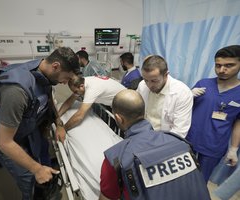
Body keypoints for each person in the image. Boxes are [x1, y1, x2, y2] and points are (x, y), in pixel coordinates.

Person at [0, 47, 80, 200]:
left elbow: (49, 100)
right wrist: (36, 169)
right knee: (29, 179)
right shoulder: (16, 91)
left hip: (26, 129)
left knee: (37, 159)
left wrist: (58, 124)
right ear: (56, 66)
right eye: (66, 78)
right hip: (7, 140)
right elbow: (4, 142)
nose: (65, 83)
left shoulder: (43, 70)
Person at [99, 89, 210, 200]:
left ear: (119, 118)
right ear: (144, 111)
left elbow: (106, 197)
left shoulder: (116, 158)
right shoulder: (180, 143)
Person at [186, 45, 240, 182]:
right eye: (218, 65)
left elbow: (238, 123)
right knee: (182, 180)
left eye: (229, 65)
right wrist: (187, 96)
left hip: (213, 146)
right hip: (189, 141)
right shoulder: (203, 84)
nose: (222, 70)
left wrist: (233, 149)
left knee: (200, 182)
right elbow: (182, 110)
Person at [136, 55, 193, 138]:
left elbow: (179, 132)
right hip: (143, 134)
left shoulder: (182, 93)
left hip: (165, 140)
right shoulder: (142, 85)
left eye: (154, 81)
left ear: (166, 75)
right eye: (146, 80)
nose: (149, 85)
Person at [58, 75, 125, 137]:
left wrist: (63, 129)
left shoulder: (92, 89)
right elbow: (70, 101)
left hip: (124, 102)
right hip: (117, 100)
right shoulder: (84, 81)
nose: (76, 94)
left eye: (76, 91)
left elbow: (79, 116)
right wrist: (57, 116)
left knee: (125, 129)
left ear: (81, 86)